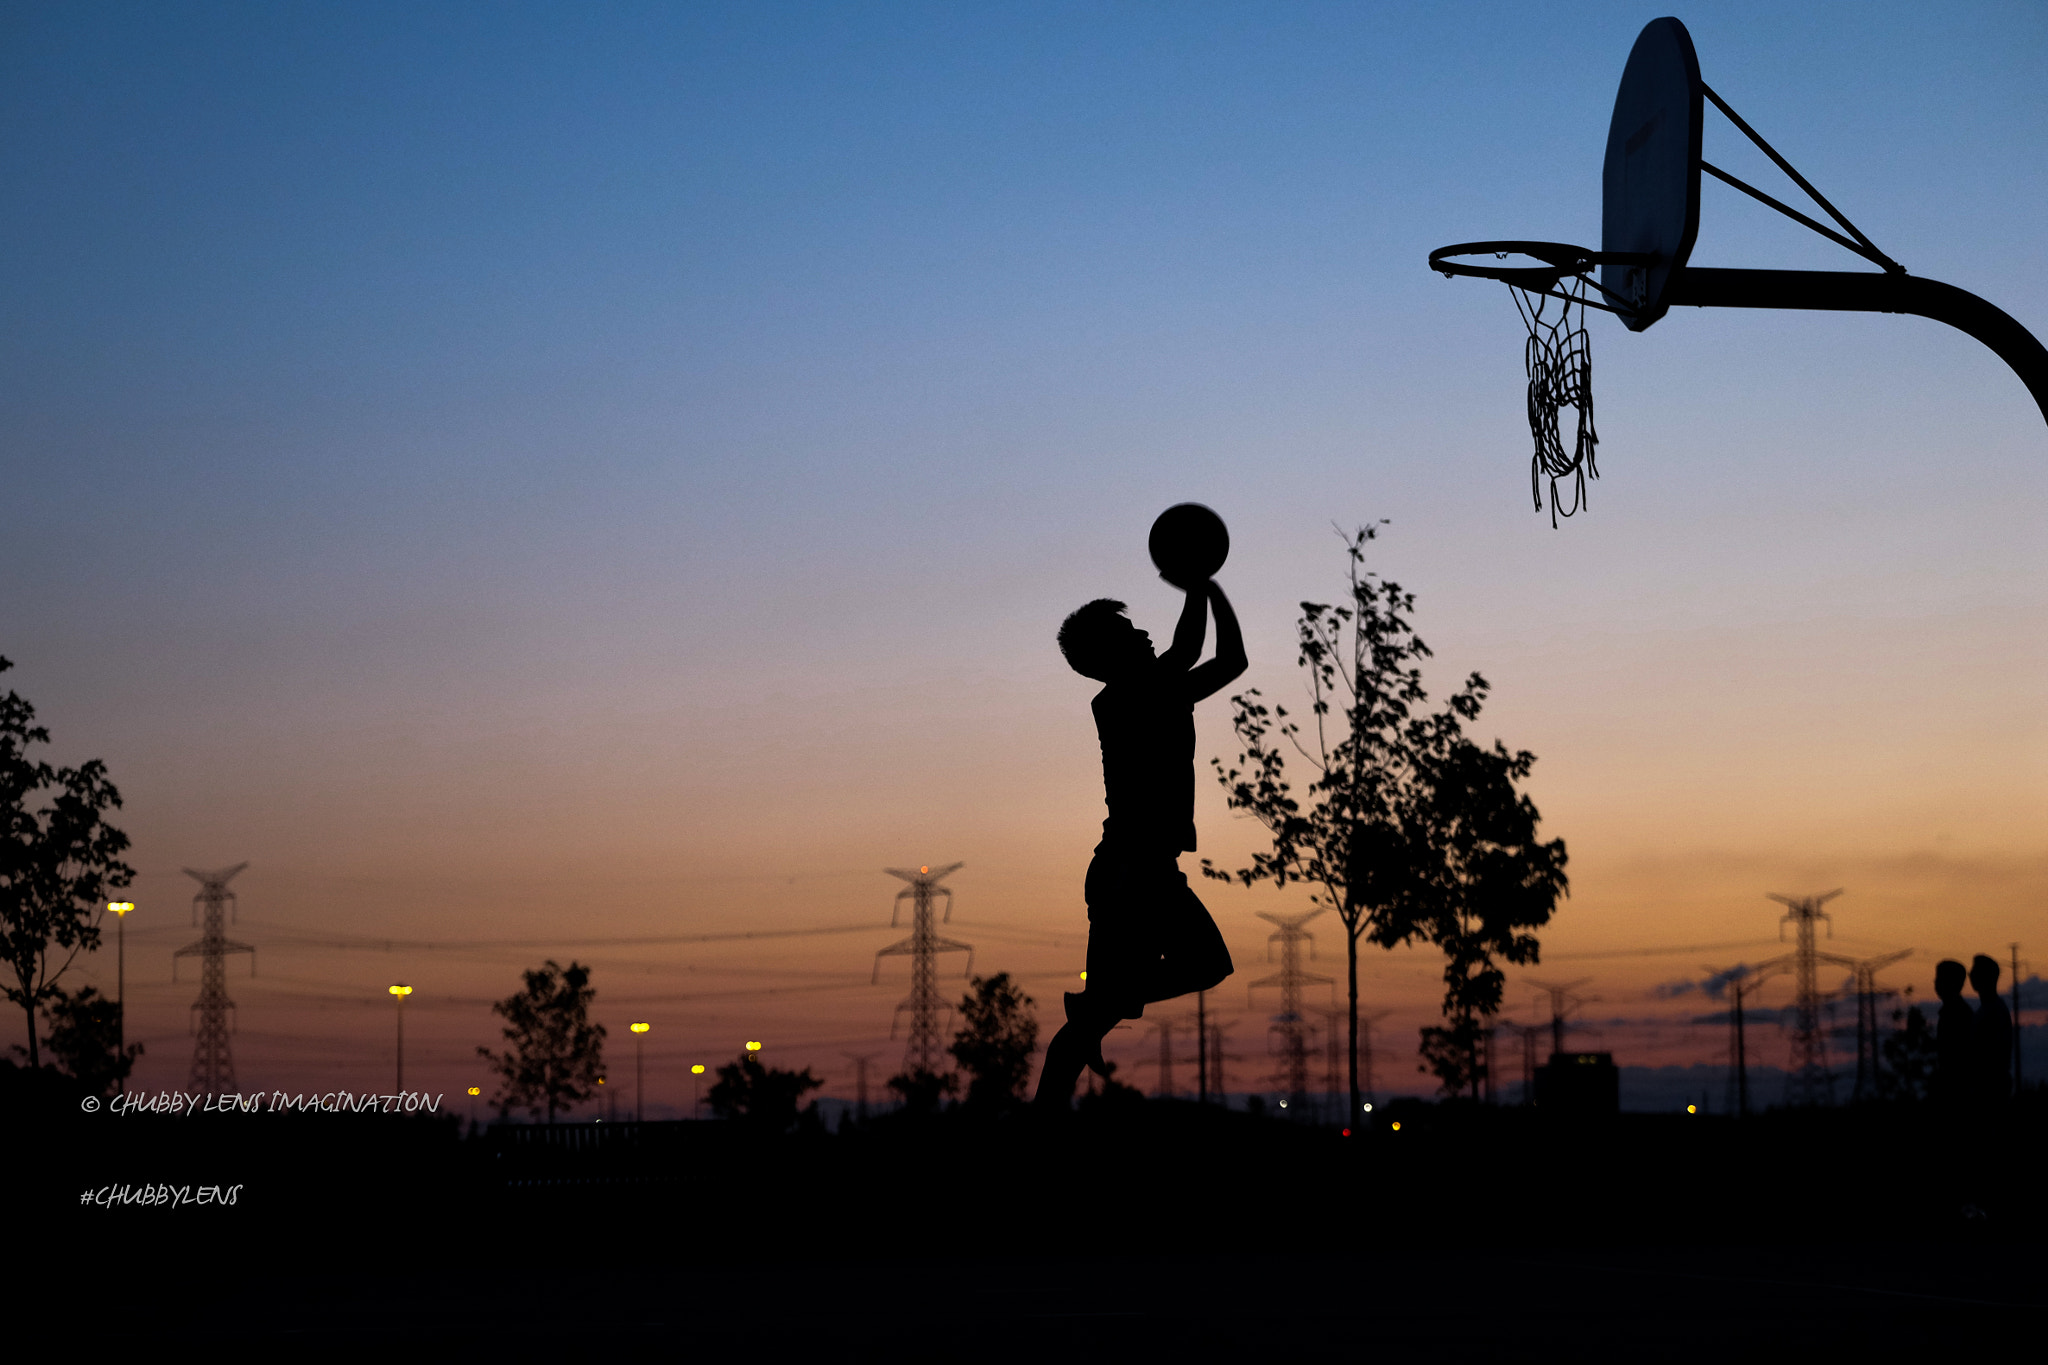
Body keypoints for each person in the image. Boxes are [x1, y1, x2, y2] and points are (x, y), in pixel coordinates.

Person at [1034, 574, 1246, 1106]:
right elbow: (1191, 649)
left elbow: (1231, 662)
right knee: (1205, 965)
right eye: (1130, 631)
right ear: (1108, 655)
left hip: (1134, 870)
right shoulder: (1126, 698)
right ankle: (1095, 1015)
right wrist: (1201, 583)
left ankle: (1048, 1108)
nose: (1144, 633)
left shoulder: (1159, 694)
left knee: (1096, 1018)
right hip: (1133, 872)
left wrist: (1209, 590)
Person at [1931, 959, 1976, 1110]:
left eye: (1940, 979)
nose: (1935, 983)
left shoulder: (1958, 1014)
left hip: (1957, 1094)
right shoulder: (1953, 1012)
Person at [1970, 954, 2013, 1106]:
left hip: (1990, 1092)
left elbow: (1992, 1056)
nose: (1971, 975)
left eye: (1975, 971)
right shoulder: (1988, 1009)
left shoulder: (1994, 1011)